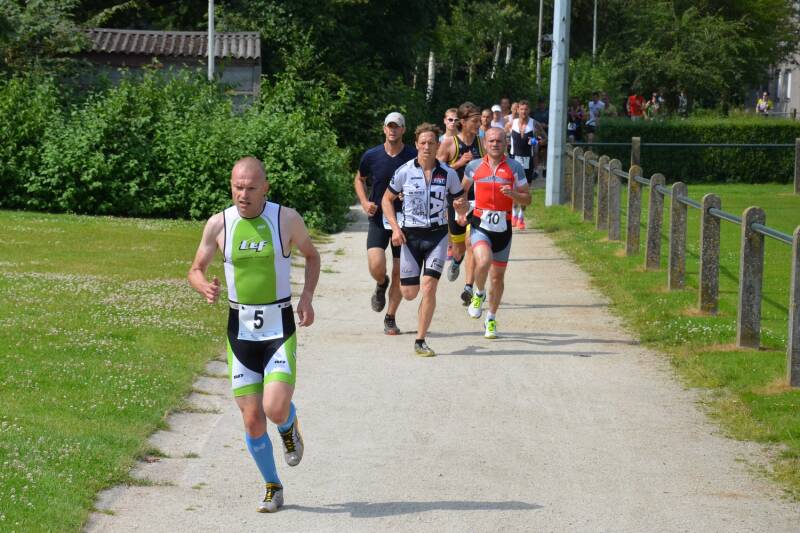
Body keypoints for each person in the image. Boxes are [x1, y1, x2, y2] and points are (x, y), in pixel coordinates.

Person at [188, 157, 320, 513]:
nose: (242, 195)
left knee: (274, 408)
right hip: (240, 330)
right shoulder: (219, 224)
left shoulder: (285, 219)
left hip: (278, 326)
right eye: (236, 187)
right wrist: (202, 285)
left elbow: (312, 256)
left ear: (265, 188)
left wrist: (306, 296)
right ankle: (272, 485)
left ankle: (289, 426)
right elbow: (196, 268)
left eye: (250, 188)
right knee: (251, 418)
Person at [382, 123, 469, 357]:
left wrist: (462, 210)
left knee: (429, 288)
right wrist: (395, 228)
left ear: (438, 144)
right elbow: (386, 200)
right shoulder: (404, 171)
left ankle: (420, 340)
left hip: (438, 236)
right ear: (417, 145)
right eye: (423, 143)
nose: (427, 147)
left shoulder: (448, 174)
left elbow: (462, 203)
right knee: (410, 293)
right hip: (410, 237)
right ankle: (394, 308)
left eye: (432, 142)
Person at [462, 128, 531, 339]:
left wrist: (514, 195)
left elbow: (528, 199)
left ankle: (490, 319)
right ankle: (478, 293)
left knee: (498, 278)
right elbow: (461, 193)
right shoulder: (474, 166)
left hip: (504, 228)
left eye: (499, 141)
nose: (495, 144)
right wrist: (460, 210)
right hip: (480, 225)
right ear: (484, 143)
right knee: (483, 261)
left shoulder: (514, 167)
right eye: (491, 141)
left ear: (506, 143)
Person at [354, 112, 417, 335]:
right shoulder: (371, 156)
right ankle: (381, 284)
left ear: (403, 130)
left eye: (397, 127)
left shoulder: (413, 156)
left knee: (400, 271)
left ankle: (390, 317)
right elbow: (359, 179)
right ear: (384, 129)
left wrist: (409, 196)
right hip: (379, 218)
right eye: (389, 126)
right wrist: (364, 201)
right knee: (376, 266)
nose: (393, 130)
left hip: (405, 221)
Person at [438, 102, 485, 305]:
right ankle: (456, 261)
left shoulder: (482, 143)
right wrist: (459, 163)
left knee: (471, 243)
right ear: (463, 122)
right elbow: (437, 169)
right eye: (475, 121)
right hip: (455, 200)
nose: (478, 125)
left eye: (480, 121)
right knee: (459, 247)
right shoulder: (450, 143)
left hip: (477, 200)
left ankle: (468, 287)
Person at [505, 99, 543, 229]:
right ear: (517, 110)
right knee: (514, 188)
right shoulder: (511, 123)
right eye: (521, 109)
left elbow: (545, 138)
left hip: (528, 160)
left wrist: (535, 141)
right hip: (514, 158)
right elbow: (501, 136)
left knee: (525, 190)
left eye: (526, 109)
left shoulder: (534, 124)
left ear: (529, 110)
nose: (524, 112)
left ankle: (521, 216)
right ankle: (514, 213)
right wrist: (505, 145)